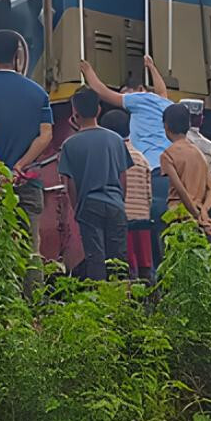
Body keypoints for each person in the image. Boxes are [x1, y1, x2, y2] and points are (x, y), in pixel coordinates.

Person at [0, 30, 53, 250]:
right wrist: (19, 167)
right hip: (28, 180)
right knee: (31, 251)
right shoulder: (39, 93)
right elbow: (46, 135)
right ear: (17, 54)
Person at [79, 55, 172, 264]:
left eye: (126, 94)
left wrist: (87, 70)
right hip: (168, 171)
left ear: (139, 89)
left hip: (151, 169)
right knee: (164, 230)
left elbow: (103, 92)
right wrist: (152, 67)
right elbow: (162, 90)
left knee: (144, 228)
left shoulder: (139, 98)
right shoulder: (163, 103)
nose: (125, 100)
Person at [58, 88, 131, 281]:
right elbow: (123, 177)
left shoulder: (69, 145)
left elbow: (70, 185)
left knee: (95, 258)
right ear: (99, 110)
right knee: (118, 259)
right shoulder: (115, 140)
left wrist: (77, 208)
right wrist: (119, 201)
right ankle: (122, 299)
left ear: (75, 113)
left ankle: (100, 302)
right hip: (115, 203)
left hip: (89, 204)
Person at [99, 109, 153, 281]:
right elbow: (148, 193)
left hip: (123, 219)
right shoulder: (141, 158)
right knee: (145, 262)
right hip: (143, 219)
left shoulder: (110, 156)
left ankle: (129, 298)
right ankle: (150, 296)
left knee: (126, 264)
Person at [159, 104, 211, 238]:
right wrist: (203, 211)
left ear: (166, 126)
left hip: (177, 214)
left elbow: (181, 190)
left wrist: (197, 215)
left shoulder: (167, 156)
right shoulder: (199, 154)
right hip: (197, 210)